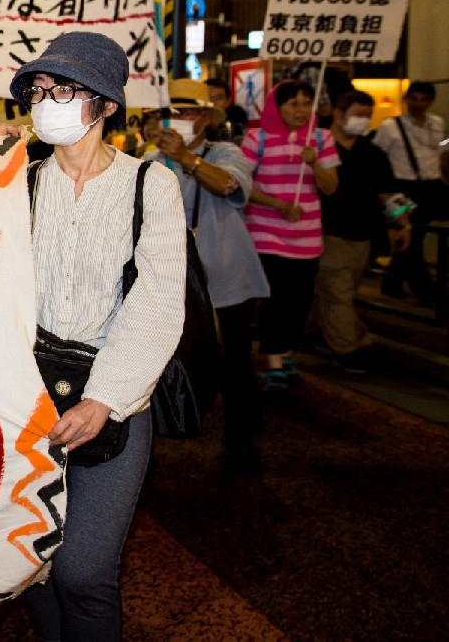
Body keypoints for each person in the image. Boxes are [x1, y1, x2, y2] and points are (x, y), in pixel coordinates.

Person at [0, 31, 186, 640]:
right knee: (36, 563)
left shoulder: (149, 184)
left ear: (106, 105)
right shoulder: (16, 182)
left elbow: (157, 301)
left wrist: (104, 398)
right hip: (27, 395)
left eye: (67, 90)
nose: (47, 101)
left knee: (83, 570)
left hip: (114, 395)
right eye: (40, 90)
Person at [147, 79, 270, 472]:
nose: (177, 120)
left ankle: (241, 438)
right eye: (171, 112)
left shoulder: (226, 152)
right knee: (161, 362)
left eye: (185, 112)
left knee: (235, 360)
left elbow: (230, 186)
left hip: (226, 278)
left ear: (203, 117)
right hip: (173, 282)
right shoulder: (149, 160)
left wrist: (187, 158)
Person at [242, 79, 340, 391]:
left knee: (298, 301)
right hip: (266, 233)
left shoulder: (322, 138)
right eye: (292, 103)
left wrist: (315, 165)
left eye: (305, 103)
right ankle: (272, 359)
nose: (300, 110)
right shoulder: (257, 138)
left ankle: (285, 353)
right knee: (274, 299)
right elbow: (243, 184)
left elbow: (331, 187)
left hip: (307, 236)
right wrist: (278, 205)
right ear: (277, 106)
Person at [313, 89, 411, 373]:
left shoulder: (373, 153)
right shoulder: (316, 147)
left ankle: (318, 333)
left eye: (367, 116)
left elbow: (388, 193)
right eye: (357, 114)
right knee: (337, 295)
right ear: (338, 113)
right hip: (327, 233)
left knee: (340, 293)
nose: (362, 121)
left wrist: (404, 222)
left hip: (363, 236)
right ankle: (352, 347)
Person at [372, 80, 447, 305]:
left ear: (430, 101)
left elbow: (443, 151)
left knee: (416, 236)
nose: (417, 104)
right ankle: (426, 291)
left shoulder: (437, 123)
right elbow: (378, 156)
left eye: (423, 99)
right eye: (413, 98)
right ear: (406, 99)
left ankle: (392, 283)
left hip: (431, 185)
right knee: (411, 237)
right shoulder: (390, 126)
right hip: (403, 187)